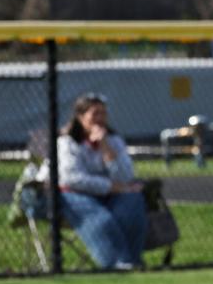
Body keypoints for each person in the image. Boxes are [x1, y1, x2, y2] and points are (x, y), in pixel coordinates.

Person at [57, 93, 147, 270]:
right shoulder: (67, 142)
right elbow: (71, 178)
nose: (100, 119)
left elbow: (125, 177)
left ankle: (133, 261)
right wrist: (110, 187)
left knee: (131, 204)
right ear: (80, 117)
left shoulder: (114, 140)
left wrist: (105, 147)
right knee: (101, 219)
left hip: (110, 193)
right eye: (94, 113)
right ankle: (117, 263)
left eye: (103, 114)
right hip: (72, 194)